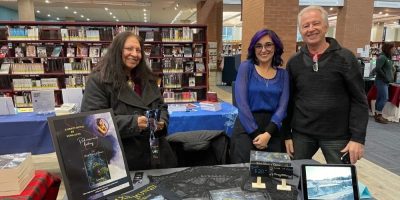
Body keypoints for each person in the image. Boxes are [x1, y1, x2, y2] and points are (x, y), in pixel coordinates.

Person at [284, 6, 369, 164]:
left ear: (325, 26)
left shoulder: (345, 58)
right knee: (294, 179)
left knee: (341, 183)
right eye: (305, 25)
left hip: (337, 136)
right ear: (300, 30)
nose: (311, 29)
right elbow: (288, 101)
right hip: (301, 134)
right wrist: (286, 135)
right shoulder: (294, 62)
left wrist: (358, 138)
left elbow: (359, 100)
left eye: (315, 23)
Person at [81, 31, 177, 170]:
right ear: (117, 51)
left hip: (158, 155)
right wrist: (134, 123)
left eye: (138, 50)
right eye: (129, 49)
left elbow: (161, 106)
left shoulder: (148, 78)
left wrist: (162, 122)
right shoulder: (99, 81)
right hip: (123, 159)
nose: (135, 54)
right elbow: (93, 121)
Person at [230, 29, 289, 163]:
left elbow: (283, 106)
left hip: (272, 129)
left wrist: (268, 134)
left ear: (276, 47)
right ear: (253, 49)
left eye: (268, 45)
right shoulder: (246, 68)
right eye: (258, 45)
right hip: (246, 127)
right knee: (243, 174)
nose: (263, 50)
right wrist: (256, 134)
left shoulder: (283, 75)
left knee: (272, 176)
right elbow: (242, 104)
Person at [374, 43, 395, 124]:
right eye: (393, 48)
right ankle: (378, 115)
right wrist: (385, 77)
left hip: (385, 81)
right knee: (384, 98)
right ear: (388, 48)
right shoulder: (382, 57)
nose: (394, 50)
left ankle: (377, 115)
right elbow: (378, 69)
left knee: (380, 98)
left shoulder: (387, 57)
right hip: (381, 81)